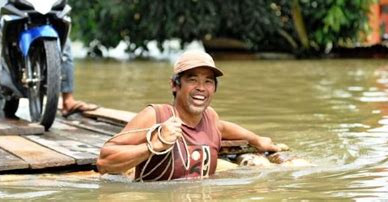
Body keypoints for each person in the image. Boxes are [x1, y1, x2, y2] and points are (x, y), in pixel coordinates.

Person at [97, 50, 281, 181]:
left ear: (214, 88)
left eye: (208, 81)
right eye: (192, 79)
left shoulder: (211, 118)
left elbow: (224, 128)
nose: (201, 88)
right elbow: (104, 161)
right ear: (175, 85)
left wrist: (257, 140)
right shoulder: (156, 116)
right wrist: (154, 145)